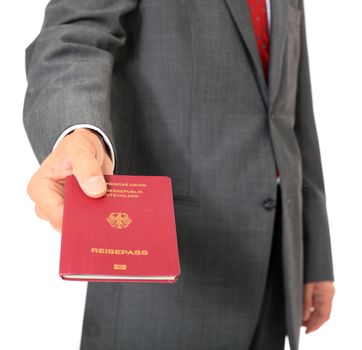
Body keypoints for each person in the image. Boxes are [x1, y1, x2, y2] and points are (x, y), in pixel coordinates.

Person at [23, 0, 335, 349]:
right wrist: (76, 130)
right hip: (167, 270)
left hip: (276, 267)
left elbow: (293, 110)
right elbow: (73, 36)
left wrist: (313, 251)